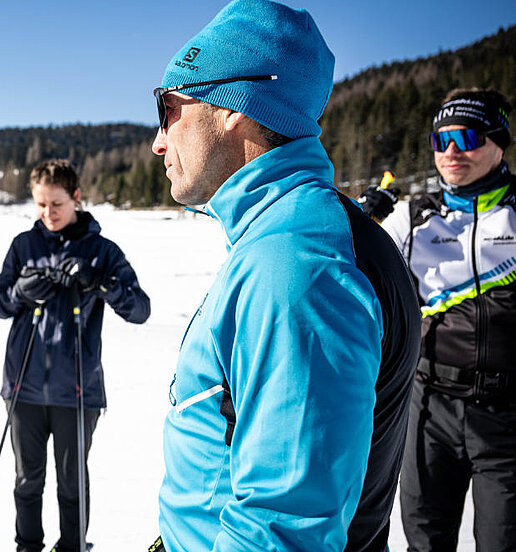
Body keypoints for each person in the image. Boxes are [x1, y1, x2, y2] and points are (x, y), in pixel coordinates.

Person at [149, 1, 420, 551]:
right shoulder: (291, 238)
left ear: (232, 106)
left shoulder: (297, 265)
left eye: (169, 108)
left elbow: (283, 529)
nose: (159, 140)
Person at [360, 88, 516, 551]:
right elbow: (344, 265)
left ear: (498, 140)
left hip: (506, 415)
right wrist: (365, 217)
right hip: (429, 408)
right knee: (425, 540)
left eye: (466, 137)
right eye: (440, 139)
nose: (451, 152)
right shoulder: (413, 219)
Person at [0, 159, 150, 552]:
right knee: (27, 480)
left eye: (56, 204)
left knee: (72, 483)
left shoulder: (102, 251)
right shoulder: (23, 246)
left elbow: (140, 309)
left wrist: (100, 282)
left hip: (77, 391)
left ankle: (73, 547)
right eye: (41, 205)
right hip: (23, 386)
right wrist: (21, 293)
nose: (48, 214)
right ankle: (27, 546)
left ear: (76, 197)